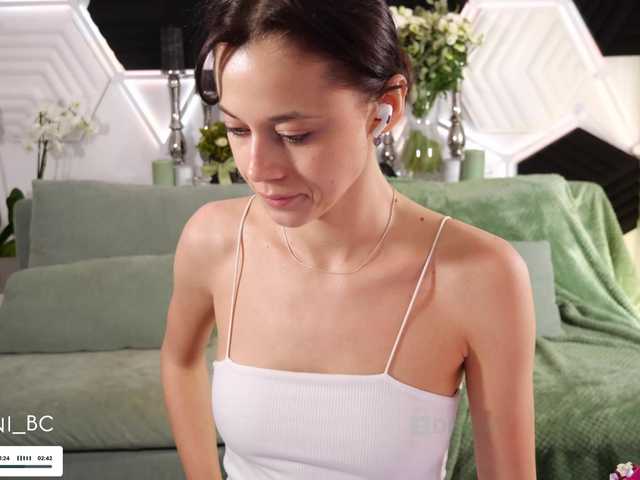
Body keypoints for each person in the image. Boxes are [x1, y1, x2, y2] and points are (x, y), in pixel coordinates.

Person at [160, 1, 537, 479]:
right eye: (237, 128)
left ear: (385, 109)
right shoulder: (213, 241)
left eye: (295, 135)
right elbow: (179, 360)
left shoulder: (479, 276)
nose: (256, 168)